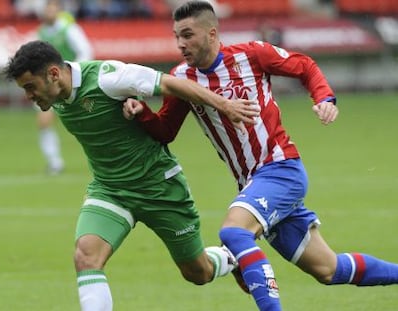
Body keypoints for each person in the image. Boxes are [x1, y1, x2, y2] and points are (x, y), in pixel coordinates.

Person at [122, 1, 398, 310]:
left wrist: (323, 97)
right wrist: (141, 113)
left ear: (212, 33)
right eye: (176, 36)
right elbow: (166, 131)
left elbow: (304, 65)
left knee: (234, 232)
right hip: (254, 184)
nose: (180, 44)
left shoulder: (251, 55)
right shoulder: (181, 78)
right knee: (329, 269)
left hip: (281, 169)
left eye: (188, 35)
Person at [2, 40, 260, 311]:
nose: (29, 96)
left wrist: (225, 105)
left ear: (54, 74)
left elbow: (171, 84)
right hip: (110, 190)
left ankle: (231, 256)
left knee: (198, 272)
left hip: (159, 187)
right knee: (86, 256)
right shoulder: (55, 95)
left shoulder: (107, 77)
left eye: (31, 87)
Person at [37, 0, 93, 175]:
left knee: (86, 122)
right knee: (44, 121)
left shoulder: (69, 29)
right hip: (48, 85)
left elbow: (86, 51)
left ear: (58, 10)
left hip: (71, 83)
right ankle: (55, 162)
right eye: (47, 9)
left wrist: (72, 72)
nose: (50, 12)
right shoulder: (41, 32)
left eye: (53, 8)